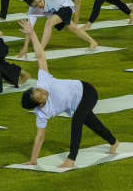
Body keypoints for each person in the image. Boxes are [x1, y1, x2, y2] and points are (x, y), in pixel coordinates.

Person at [18, 19, 118, 169]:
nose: (43, 92)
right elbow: (40, 137)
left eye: (38, 90)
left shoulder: (44, 82)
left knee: (77, 119)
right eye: (41, 96)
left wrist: (32, 34)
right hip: (78, 104)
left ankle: (71, 159)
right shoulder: (42, 114)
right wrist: (33, 161)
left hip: (87, 91)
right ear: (39, 104)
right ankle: (114, 142)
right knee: (92, 123)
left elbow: (40, 56)